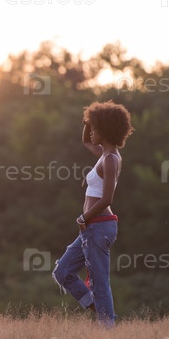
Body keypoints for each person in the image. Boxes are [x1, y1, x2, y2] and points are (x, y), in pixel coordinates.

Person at [52, 100, 134, 326]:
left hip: (99, 226)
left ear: (105, 130)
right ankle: (100, 311)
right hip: (92, 227)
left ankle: (107, 327)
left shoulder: (110, 159)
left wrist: (83, 218)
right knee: (63, 272)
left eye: (95, 128)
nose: (91, 132)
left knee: (100, 283)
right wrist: (88, 121)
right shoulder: (104, 154)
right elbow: (85, 141)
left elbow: (107, 199)